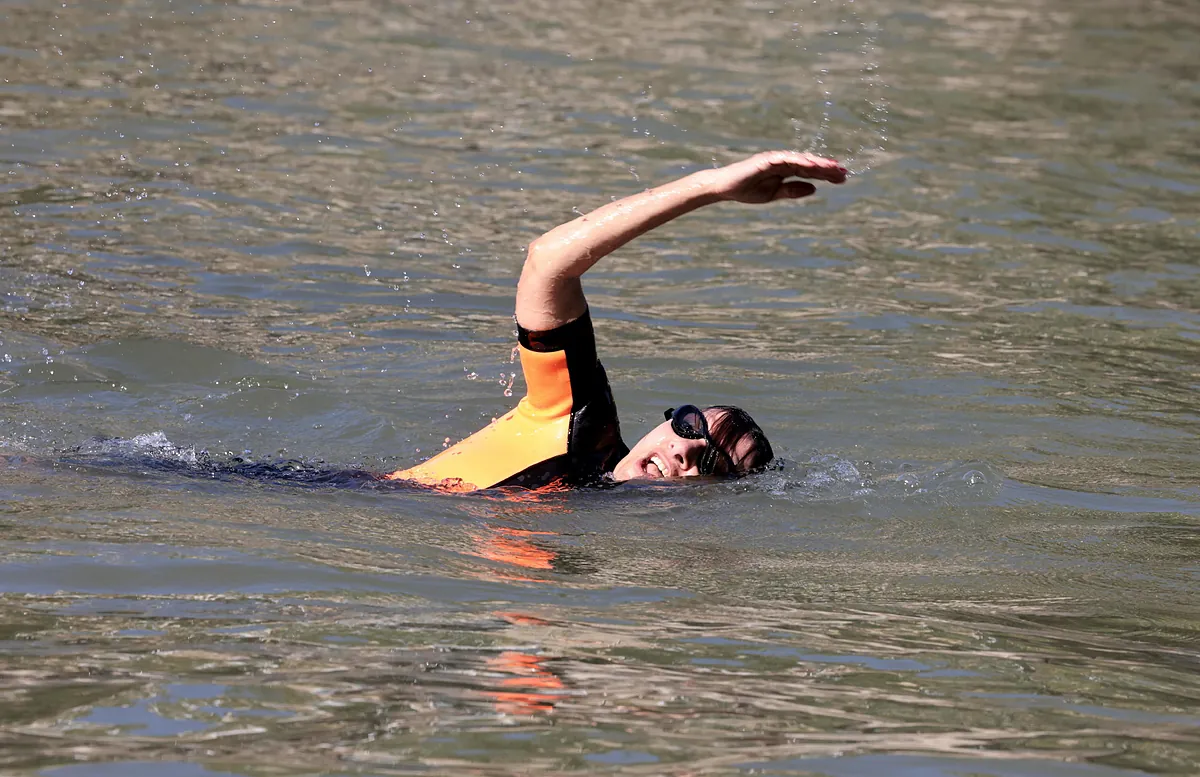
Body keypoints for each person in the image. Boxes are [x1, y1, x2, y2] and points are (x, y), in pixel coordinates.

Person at [386, 150, 847, 492]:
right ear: (668, 421)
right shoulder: (579, 425)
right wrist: (709, 187)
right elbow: (549, 264)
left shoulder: (607, 523)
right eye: (690, 426)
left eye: (709, 464)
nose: (683, 450)